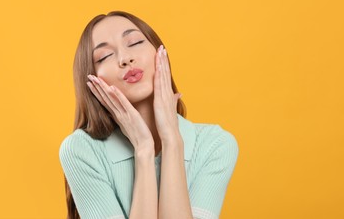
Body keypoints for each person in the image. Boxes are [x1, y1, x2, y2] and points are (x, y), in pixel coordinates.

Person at [59, 11, 239, 219]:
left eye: (134, 42)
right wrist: (143, 149)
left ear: (159, 51)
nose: (126, 59)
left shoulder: (214, 145)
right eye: (105, 56)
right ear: (90, 81)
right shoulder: (81, 151)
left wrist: (172, 142)